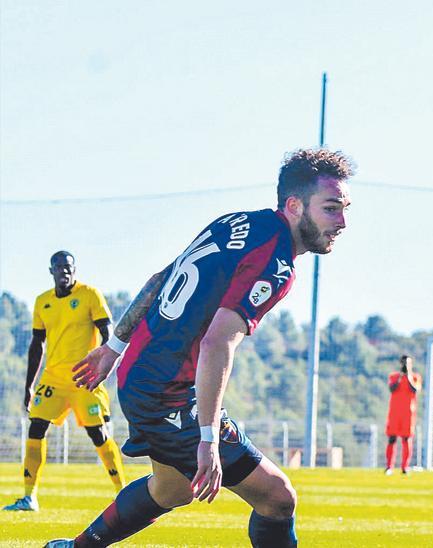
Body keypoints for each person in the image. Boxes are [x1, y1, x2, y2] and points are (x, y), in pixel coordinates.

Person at [44, 148, 354, 548]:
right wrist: (208, 437)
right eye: (331, 209)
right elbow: (217, 341)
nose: (343, 221)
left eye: (345, 208)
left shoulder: (235, 222)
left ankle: (77, 547)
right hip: (166, 393)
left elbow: (161, 278)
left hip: (143, 376)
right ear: (295, 206)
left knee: (172, 490)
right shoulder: (277, 264)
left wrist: (115, 346)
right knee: (278, 498)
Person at [5, 251, 125, 512]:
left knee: (99, 434)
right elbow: (37, 344)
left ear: (74, 269)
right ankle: (29, 497)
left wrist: (104, 361)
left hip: (85, 376)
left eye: (68, 267)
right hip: (53, 379)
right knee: (35, 428)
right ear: (52, 271)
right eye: (59, 268)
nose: (64, 271)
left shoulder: (89, 295)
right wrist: (29, 384)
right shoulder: (42, 302)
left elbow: (107, 330)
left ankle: (122, 492)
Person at [385, 355, 421, 475]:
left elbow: (414, 390)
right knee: (392, 439)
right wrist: (401, 376)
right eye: (404, 363)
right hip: (395, 413)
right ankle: (389, 466)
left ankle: (404, 467)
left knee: (406, 439)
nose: (406, 365)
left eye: (408, 363)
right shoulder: (394, 376)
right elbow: (392, 388)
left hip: (408, 414)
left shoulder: (415, 377)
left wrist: (408, 376)